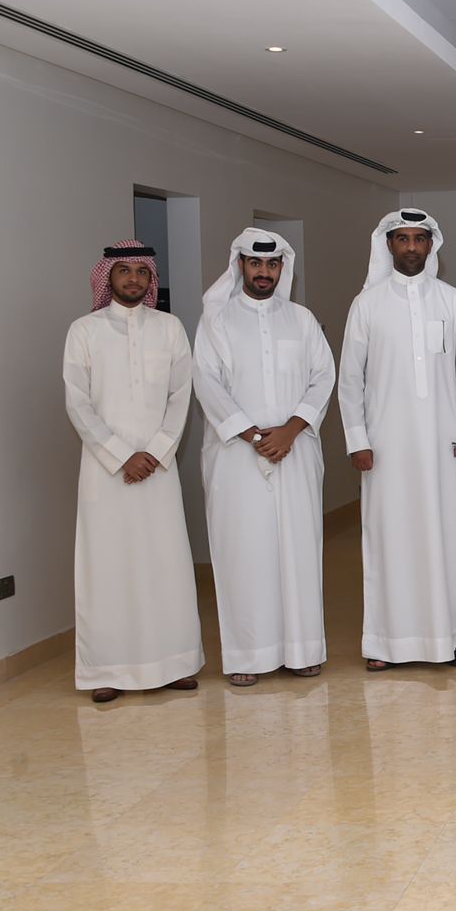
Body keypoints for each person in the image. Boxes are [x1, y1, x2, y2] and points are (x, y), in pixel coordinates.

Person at [336, 209, 456, 671]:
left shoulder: (453, 300)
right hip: (387, 448)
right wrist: (357, 439)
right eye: (402, 239)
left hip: (446, 446)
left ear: (431, 245)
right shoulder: (366, 304)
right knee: (391, 539)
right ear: (388, 245)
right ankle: (387, 642)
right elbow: (350, 380)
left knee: (451, 537)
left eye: (419, 239)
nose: (410, 247)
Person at [62, 240, 203, 703]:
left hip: (158, 469)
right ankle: (106, 669)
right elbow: (77, 402)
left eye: (142, 272)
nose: (133, 279)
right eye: (124, 271)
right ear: (108, 276)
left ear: (151, 279)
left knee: (165, 562)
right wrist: (122, 455)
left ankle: (175, 663)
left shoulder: (170, 328)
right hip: (105, 472)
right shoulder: (84, 331)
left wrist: (157, 451)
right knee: (107, 566)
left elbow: (181, 396)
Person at [192, 229, 335, 687]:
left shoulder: (302, 319)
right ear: (240, 265)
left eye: (272, 265)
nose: (263, 272)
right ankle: (248, 655)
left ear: (282, 268)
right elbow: (206, 382)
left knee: (299, 550)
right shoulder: (216, 321)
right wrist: (254, 435)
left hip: (296, 448)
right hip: (236, 453)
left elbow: (323, 377)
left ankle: (302, 651)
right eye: (255, 263)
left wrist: (290, 429)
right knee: (243, 551)